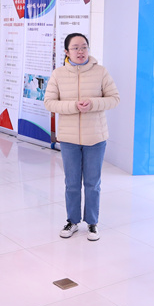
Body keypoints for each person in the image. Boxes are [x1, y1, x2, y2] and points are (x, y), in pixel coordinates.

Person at [44, 33, 119, 241]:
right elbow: (49, 102)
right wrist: (73, 106)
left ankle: (92, 223)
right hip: (69, 139)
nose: (80, 51)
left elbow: (114, 99)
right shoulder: (58, 74)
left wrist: (93, 103)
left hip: (95, 136)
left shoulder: (100, 72)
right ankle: (72, 221)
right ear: (66, 52)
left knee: (93, 183)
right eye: (75, 48)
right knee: (72, 183)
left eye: (84, 47)